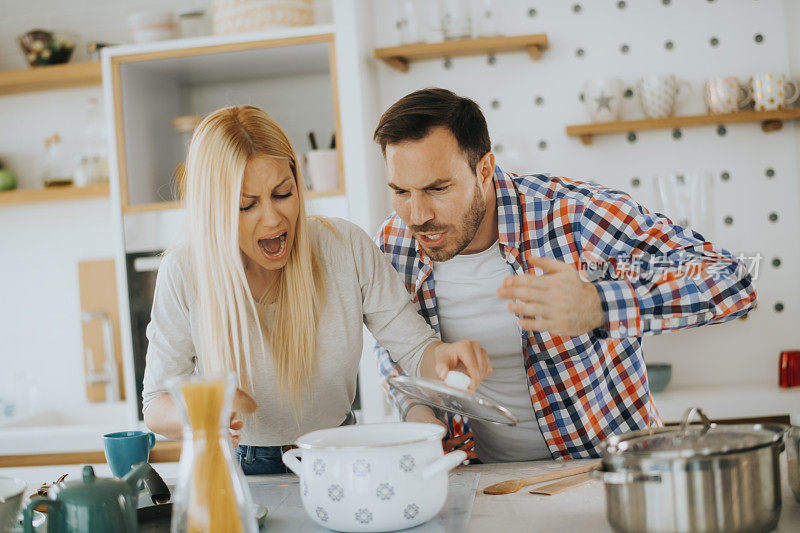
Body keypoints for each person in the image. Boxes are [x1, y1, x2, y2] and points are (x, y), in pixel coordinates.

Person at [373, 88, 757, 461]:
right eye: (401, 192)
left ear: (484, 169)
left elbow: (732, 279)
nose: (418, 215)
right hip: (482, 484)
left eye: (438, 189)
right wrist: (420, 416)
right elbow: (394, 343)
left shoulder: (576, 217)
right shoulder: (395, 242)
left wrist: (600, 306)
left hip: (607, 473)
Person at [141, 105, 492, 474]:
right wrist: (202, 415)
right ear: (214, 209)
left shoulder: (345, 247)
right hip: (235, 467)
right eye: (247, 205)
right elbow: (156, 404)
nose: (274, 218)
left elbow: (417, 349)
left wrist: (446, 357)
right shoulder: (184, 270)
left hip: (338, 455)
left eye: (283, 194)